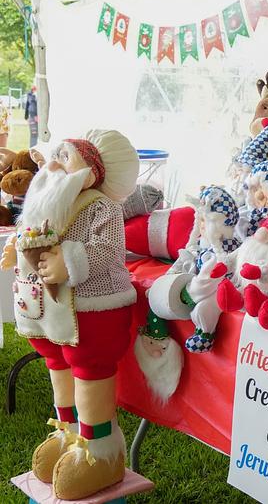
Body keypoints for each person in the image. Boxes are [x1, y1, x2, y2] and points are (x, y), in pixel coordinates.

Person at [0, 130, 139, 499]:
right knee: (57, 366)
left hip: (93, 309)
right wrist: (18, 248)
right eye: (56, 156)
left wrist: (70, 261)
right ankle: (68, 433)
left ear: (91, 172)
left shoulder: (101, 207)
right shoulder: (48, 202)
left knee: (88, 371)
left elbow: (107, 250)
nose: (54, 165)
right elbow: (32, 231)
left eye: (67, 158)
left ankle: (100, 452)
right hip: (51, 311)